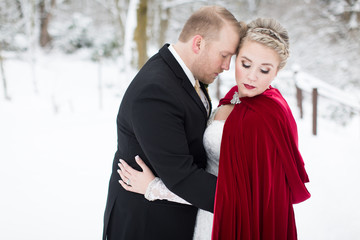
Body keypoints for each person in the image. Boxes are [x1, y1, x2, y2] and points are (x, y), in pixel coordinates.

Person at [117, 18, 311, 240]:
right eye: (246, 64)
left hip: (230, 222)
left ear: (276, 72)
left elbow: (244, 199)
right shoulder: (235, 97)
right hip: (202, 212)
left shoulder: (264, 118)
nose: (251, 76)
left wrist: (155, 187)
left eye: (264, 70)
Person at [103, 5, 243, 240]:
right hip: (147, 225)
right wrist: (245, 201)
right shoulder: (156, 91)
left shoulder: (182, 73)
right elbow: (182, 175)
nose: (227, 66)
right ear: (198, 44)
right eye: (224, 55)